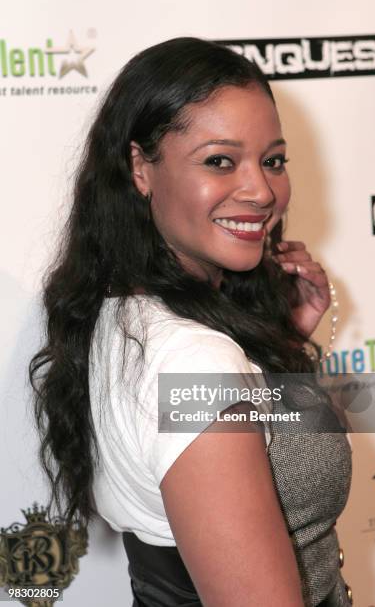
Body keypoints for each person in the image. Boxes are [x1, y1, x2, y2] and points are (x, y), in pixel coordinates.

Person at [29, 36, 353, 606]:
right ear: (140, 168)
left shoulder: (126, 316)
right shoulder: (193, 360)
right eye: (219, 161)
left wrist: (282, 343)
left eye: (273, 160)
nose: (261, 191)